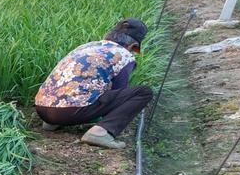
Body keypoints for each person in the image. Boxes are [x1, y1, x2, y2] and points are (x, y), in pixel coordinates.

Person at [35, 18, 154, 149]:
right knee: (144, 92)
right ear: (132, 46)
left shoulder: (88, 46)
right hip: (68, 113)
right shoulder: (123, 55)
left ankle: (53, 123)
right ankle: (100, 133)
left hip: (42, 109)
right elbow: (119, 92)